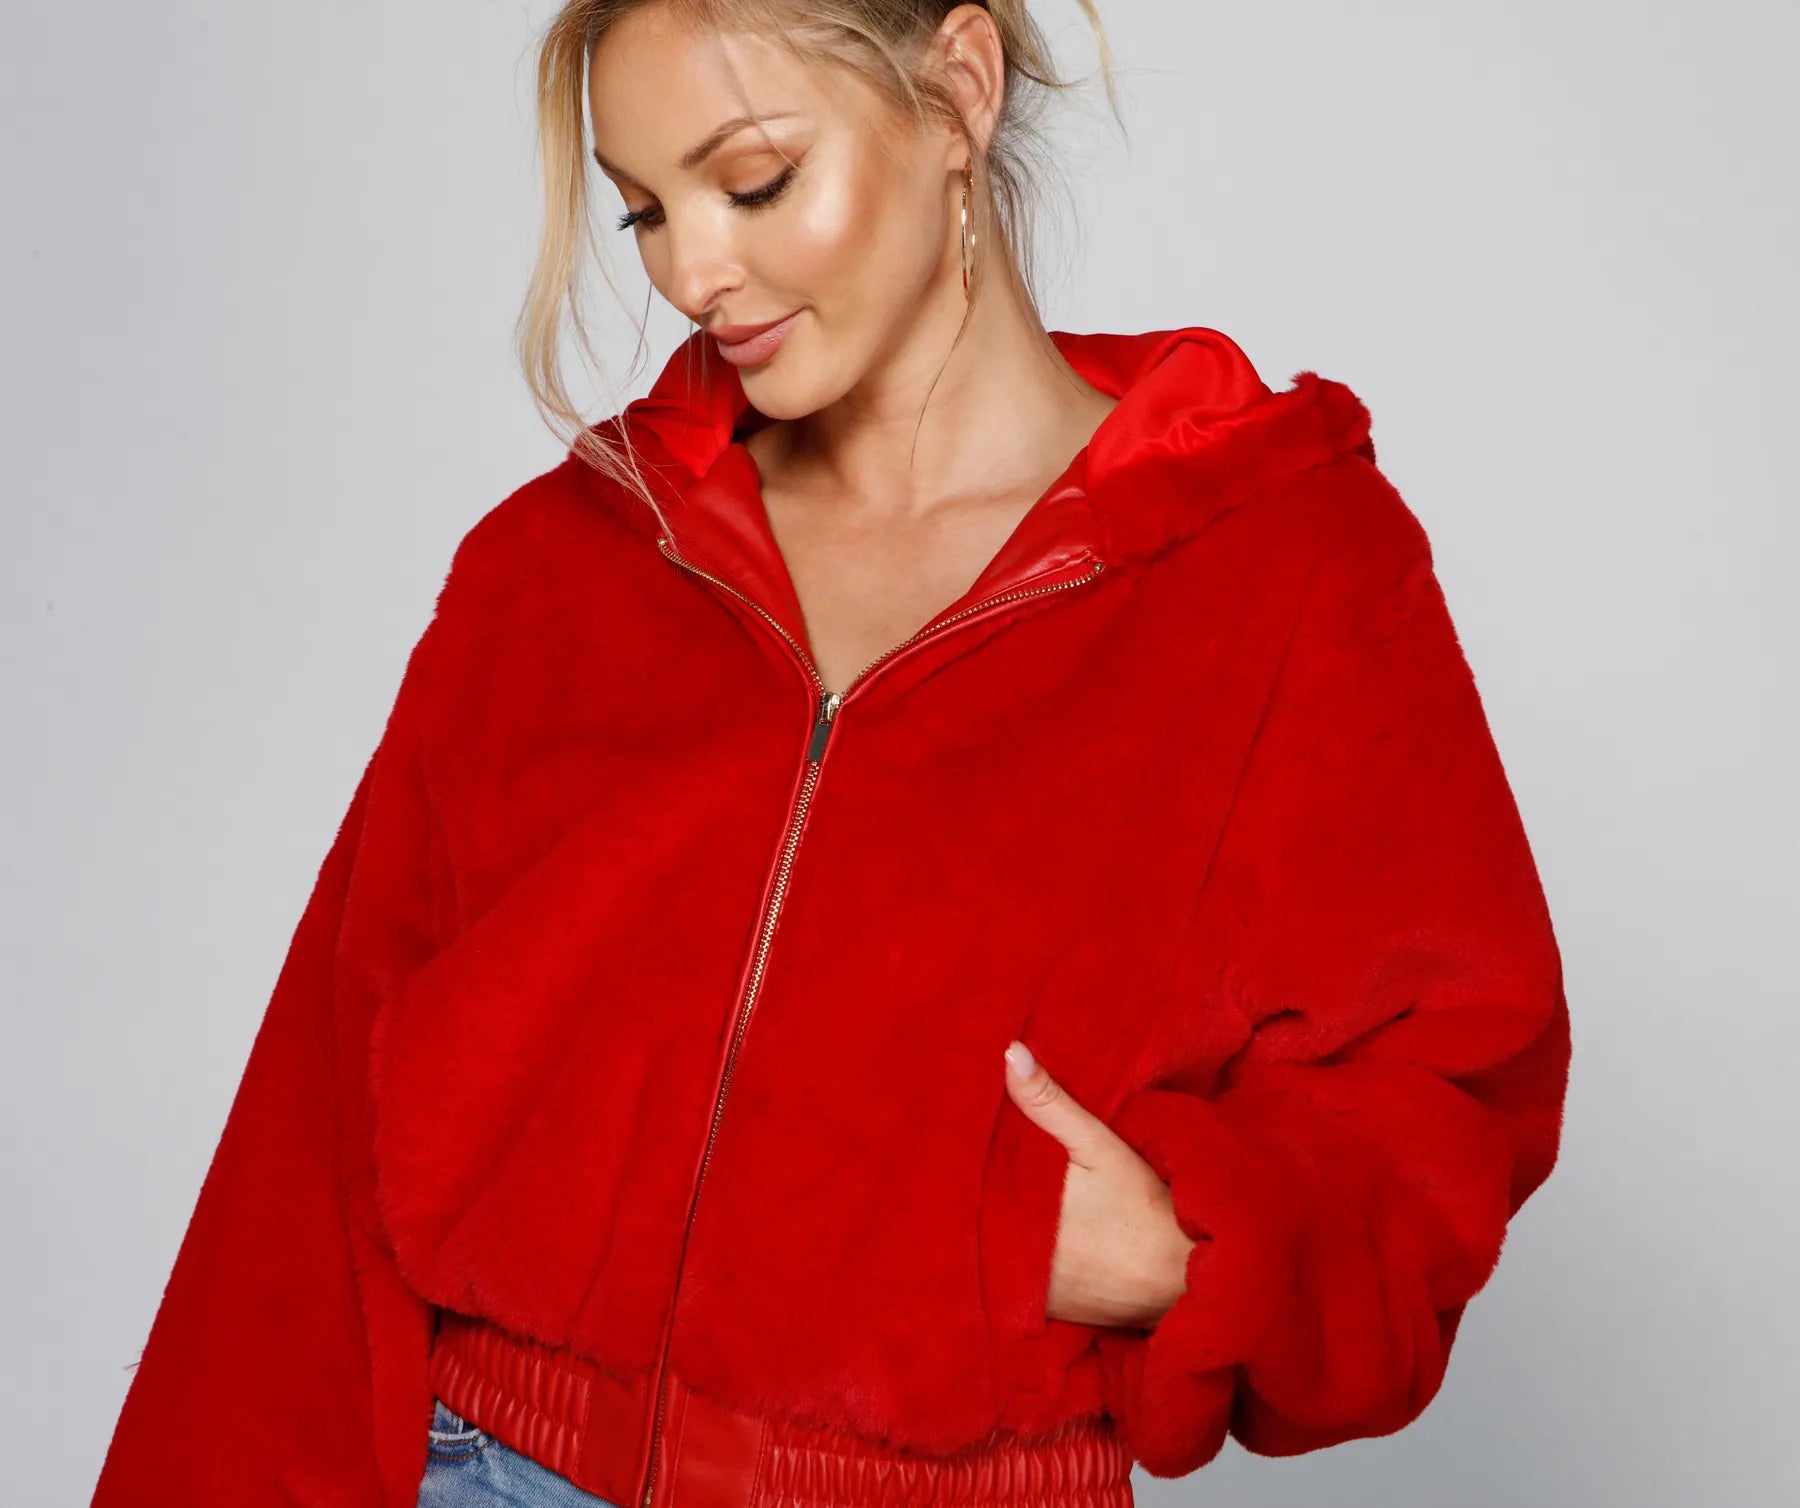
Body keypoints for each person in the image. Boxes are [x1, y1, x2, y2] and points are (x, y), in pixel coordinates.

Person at [91, 3, 1573, 1506]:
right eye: (645, 211)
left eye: (753, 183)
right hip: (493, 1470)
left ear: (958, 88)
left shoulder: (1273, 565)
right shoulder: (566, 566)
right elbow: (317, 1138)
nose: (691, 273)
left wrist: (1191, 1246)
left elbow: (1445, 1080)